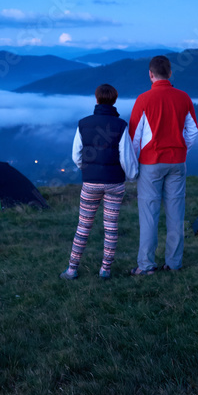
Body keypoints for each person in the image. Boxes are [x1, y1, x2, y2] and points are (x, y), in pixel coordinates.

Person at [61, 83, 138, 280]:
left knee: (83, 225)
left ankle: (72, 269)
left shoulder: (83, 123)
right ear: (115, 100)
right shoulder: (121, 125)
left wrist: (86, 169)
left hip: (90, 183)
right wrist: (130, 176)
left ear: (96, 99)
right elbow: (126, 158)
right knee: (111, 227)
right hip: (115, 184)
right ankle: (105, 270)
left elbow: (76, 155)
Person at [129, 55, 198, 275]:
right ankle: (174, 263)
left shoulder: (143, 99)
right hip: (177, 162)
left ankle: (147, 265)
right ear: (170, 73)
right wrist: (180, 148)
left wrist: (135, 164)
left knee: (149, 215)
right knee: (176, 214)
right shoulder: (183, 97)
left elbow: (134, 138)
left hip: (151, 162)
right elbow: (193, 131)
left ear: (150, 74)